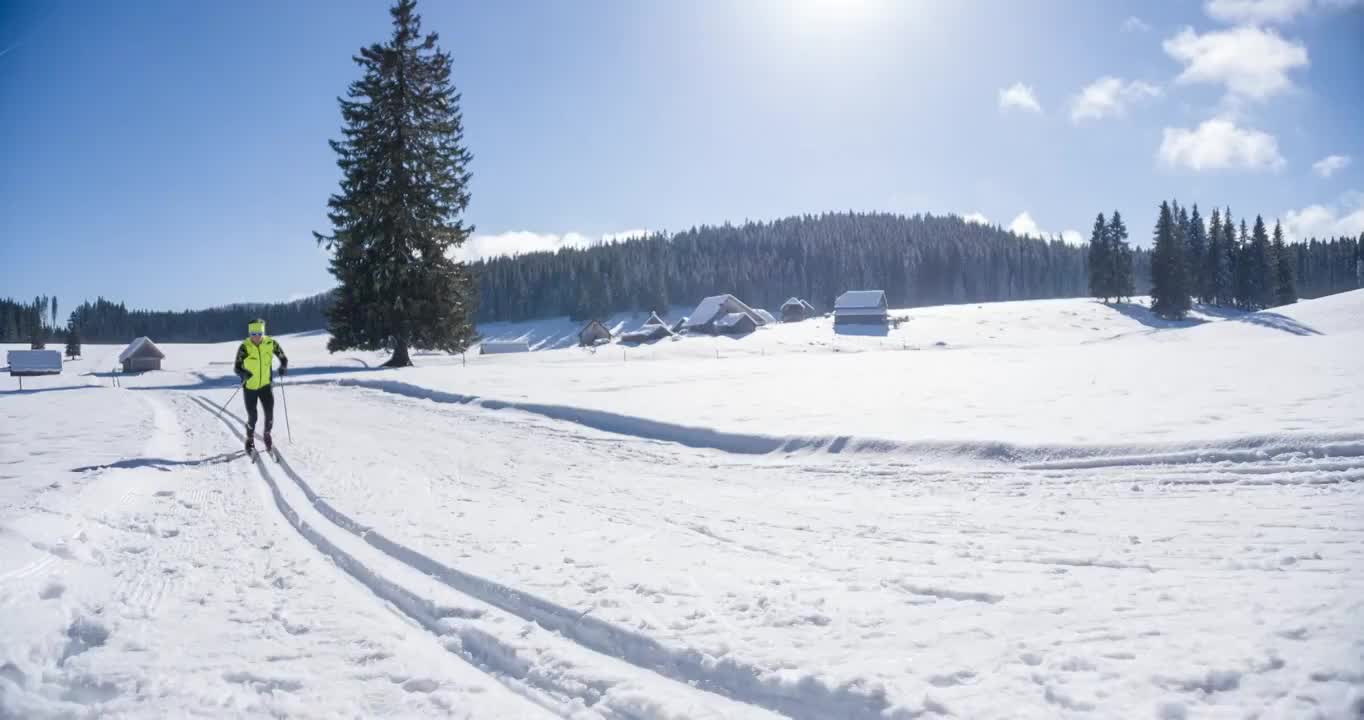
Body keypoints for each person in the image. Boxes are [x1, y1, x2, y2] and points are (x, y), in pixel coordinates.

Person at [234, 319, 288, 452]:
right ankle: (250, 438)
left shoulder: (271, 343)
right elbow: (237, 367)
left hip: (265, 386)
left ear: (263, 333)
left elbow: (283, 358)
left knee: (269, 413)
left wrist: (283, 366)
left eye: (259, 333)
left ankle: (267, 434)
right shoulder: (245, 347)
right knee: (253, 417)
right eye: (253, 333)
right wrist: (243, 373)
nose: (256, 336)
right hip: (250, 387)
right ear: (250, 333)